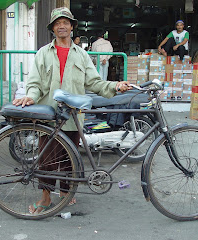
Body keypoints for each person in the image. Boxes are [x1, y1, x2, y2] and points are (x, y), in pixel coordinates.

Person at [12, 7, 131, 214]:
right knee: (47, 159)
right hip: (49, 116)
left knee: (70, 158)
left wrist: (114, 86)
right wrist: (30, 96)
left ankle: (66, 195)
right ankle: (46, 198)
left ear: (72, 26)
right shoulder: (43, 53)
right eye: (57, 23)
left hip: (73, 116)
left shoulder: (82, 55)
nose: (62, 26)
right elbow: (35, 83)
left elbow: (94, 82)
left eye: (65, 22)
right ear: (52, 28)